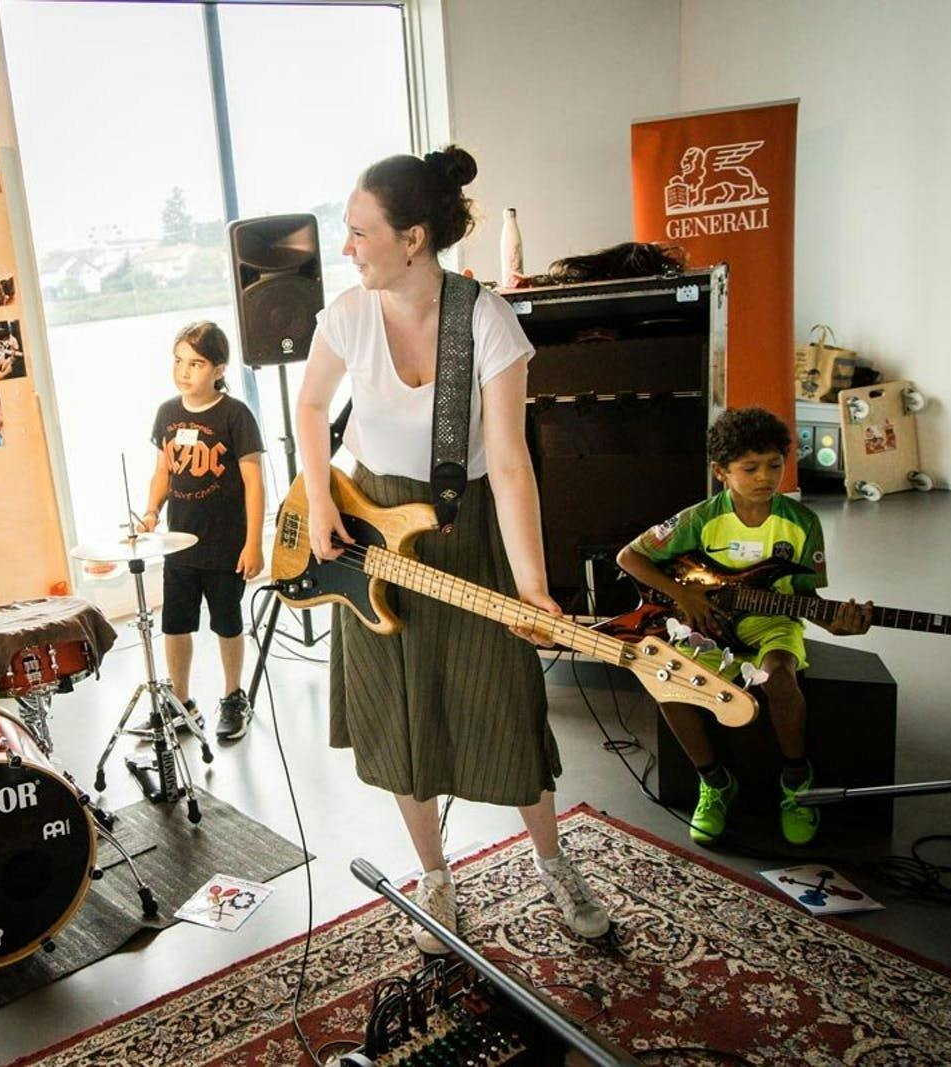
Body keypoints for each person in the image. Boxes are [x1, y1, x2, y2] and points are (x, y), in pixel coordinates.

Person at [295, 147, 609, 952]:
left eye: (360, 232)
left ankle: (550, 859)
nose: (347, 247)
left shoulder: (485, 319)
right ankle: (435, 875)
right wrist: (324, 494)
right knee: (400, 714)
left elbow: (508, 464)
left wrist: (533, 586)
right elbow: (309, 409)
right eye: (347, 231)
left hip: (463, 526)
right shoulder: (347, 313)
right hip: (371, 530)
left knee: (505, 703)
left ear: (414, 237)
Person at [616, 406, 872, 846]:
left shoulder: (802, 523)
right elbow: (629, 557)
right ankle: (713, 781)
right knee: (664, 680)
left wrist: (839, 625)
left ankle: (796, 783)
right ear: (721, 472)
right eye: (749, 468)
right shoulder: (699, 518)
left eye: (774, 465)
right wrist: (684, 595)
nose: (764, 476)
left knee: (780, 677)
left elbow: (805, 597)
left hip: (772, 623)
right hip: (705, 624)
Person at [138, 322, 264, 741]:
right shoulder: (167, 414)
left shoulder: (235, 415)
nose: (184, 371)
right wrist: (152, 511)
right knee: (175, 625)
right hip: (179, 546)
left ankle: (233, 695)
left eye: (195, 363)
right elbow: (162, 472)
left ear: (219, 368)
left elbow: (254, 482)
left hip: (226, 546)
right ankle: (180, 701)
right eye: (178, 361)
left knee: (227, 623)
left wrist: (253, 544)